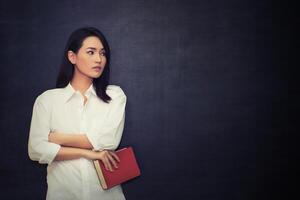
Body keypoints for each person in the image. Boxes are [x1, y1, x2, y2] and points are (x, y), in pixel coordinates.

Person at [28, 27, 127, 200]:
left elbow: (108, 141)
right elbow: (36, 149)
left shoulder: (115, 95)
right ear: (72, 57)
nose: (99, 59)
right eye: (91, 52)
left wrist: (56, 138)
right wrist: (88, 153)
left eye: (103, 53)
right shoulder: (47, 100)